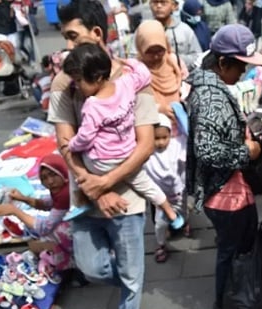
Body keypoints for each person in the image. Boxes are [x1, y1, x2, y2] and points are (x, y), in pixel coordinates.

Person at [49, 0, 159, 309]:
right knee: (92, 267)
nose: (67, 46)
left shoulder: (130, 80)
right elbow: (66, 143)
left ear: (97, 34)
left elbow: (144, 145)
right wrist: (94, 190)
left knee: (130, 268)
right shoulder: (65, 82)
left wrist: (108, 181)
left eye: (72, 36)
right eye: (65, 38)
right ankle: (133, 284)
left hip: (127, 195)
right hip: (86, 195)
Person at [186, 24, 262, 309]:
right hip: (223, 193)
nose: (244, 73)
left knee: (231, 249)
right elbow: (207, 151)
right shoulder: (211, 98)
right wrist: (248, 151)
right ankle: (227, 301)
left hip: (225, 188)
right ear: (222, 63)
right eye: (241, 67)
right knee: (231, 250)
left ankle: (231, 299)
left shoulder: (212, 87)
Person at [62, 42, 182, 225]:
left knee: (75, 160)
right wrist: (129, 62)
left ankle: (83, 200)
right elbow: (143, 74)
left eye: (79, 81)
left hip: (101, 161)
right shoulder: (125, 85)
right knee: (147, 185)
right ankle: (172, 214)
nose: (77, 86)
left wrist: (72, 144)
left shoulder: (92, 105)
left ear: (97, 77)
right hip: (127, 155)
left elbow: (85, 137)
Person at [0, 154, 74, 271]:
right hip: (77, 234)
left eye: (53, 175)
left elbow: (44, 227)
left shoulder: (65, 194)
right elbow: (48, 203)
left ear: (62, 172)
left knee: (42, 239)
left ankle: (71, 264)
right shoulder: (63, 187)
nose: (50, 181)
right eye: (44, 178)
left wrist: (15, 211)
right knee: (38, 241)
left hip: (78, 238)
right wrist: (23, 198)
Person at [145, 113, 187, 262]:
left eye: (165, 137)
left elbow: (187, 134)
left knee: (183, 212)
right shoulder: (146, 152)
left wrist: (179, 117)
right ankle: (161, 244)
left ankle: (184, 224)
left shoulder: (176, 145)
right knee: (160, 224)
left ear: (170, 134)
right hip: (161, 198)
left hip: (179, 192)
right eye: (156, 138)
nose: (161, 142)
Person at [135, 20, 185, 119]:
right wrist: (158, 109)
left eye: (160, 50)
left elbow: (188, 86)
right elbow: (134, 104)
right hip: (155, 128)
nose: (156, 57)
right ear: (140, 48)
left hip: (181, 125)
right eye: (150, 52)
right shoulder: (136, 71)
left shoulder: (175, 62)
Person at [141, 0, 203, 71]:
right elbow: (133, 57)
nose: (159, 6)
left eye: (163, 2)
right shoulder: (143, 30)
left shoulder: (185, 30)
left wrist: (175, 59)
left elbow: (198, 57)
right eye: (155, 2)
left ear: (174, 6)